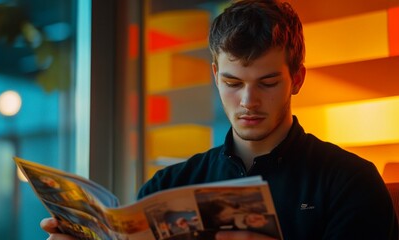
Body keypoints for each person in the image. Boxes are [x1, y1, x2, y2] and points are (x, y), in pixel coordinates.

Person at [41, 0, 399, 239]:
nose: (248, 101)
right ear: (215, 75)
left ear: (298, 79)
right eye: (232, 82)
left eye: (268, 82)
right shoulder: (168, 186)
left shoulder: (350, 182)